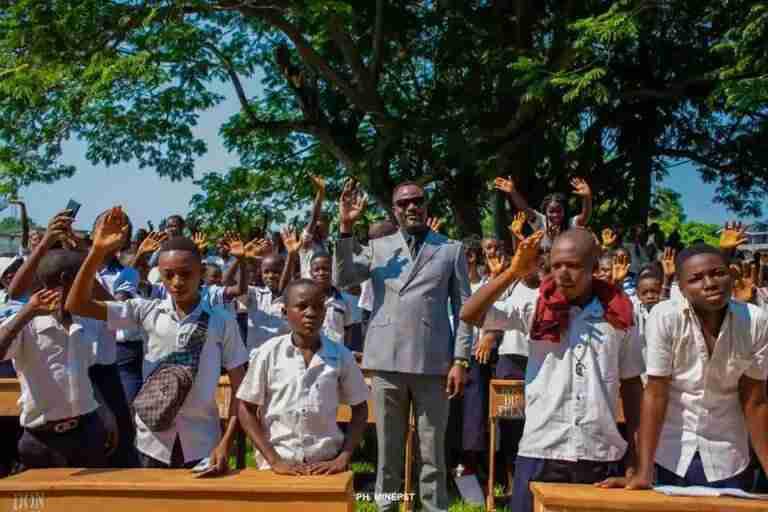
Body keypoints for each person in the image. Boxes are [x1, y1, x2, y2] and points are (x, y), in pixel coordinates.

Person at [460, 229, 644, 512]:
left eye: (573, 265)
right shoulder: (535, 305)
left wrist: (636, 459)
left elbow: (632, 386)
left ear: (594, 267)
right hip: (541, 449)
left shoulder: (620, 315)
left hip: (600, 454)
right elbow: (470, 314)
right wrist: (512, 272)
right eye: (556, 265)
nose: (563, 273)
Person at [66, 208, 248, 472]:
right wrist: (96, 251)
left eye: (186, 273)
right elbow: (77, 303)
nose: (177, 282)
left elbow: (239, 388)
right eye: (168, 274)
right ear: (159, 275)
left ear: (201, 272)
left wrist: (226, 443)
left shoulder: (222, 320)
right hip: (152, 442)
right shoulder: (146, 311)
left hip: (203, 444)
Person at [335, 179, 472, 512]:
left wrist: (461, 360)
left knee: (432, 453)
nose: (412, 206)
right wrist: (345, 227)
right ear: (394, 210)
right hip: (386, 361)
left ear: (426, 205)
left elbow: (466, 310)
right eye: (404, 202)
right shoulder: (380, 248)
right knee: (388, 452)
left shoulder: (450, 249)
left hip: (433, 363)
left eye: (418, 200)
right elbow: (344, 279)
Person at [622, 244, 768, 491]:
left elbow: (755, 401)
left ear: (731, 275)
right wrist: (643, 471)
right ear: (680, 286)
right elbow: (656, 392)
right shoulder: (665, 317)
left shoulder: (755, 321)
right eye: (696, 278)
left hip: (730, 457)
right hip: (671, 456)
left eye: (717, 273)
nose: (710, 283)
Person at [236, 279, 369, 474]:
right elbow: (246, 408)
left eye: (317, 307)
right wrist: (274, 460)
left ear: (325, 312)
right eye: (301, 306)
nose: (310, 313)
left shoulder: (341, 355)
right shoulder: (267, 353)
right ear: (284, 312)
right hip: (278, 466)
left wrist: (343, 457)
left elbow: (360, 408)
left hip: (326, 465)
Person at [0, 248, 117, 469]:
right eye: (87, 277)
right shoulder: (27, 323)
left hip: (87, 431)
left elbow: (84, 373)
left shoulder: (87, 319)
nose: (93, 284)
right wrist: (26, 313)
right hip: (41, 439)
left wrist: (105, 412)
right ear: (67, 279)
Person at [495, 176, 593, 250]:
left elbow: (585, 217)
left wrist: (587, 198)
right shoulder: (541, 221)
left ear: (565, 211)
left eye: (559, 211)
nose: (555, 215)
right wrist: (513, 192)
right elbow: (524, 208)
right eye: (551, 211)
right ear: (545, 212)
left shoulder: (570, 223)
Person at [310, 253, 354, 346]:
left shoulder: (344, 300)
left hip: (337, 353)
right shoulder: (306, 300)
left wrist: (346, 351)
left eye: (325, 269)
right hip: (315, 352)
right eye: (316, 270)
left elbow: (348, 328)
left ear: (333, 271)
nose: (321, 273)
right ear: (311, 273)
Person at [299, 176, 330, 278]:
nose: (325, 229)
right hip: (309, 289)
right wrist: (320, 193)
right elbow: (314, 218)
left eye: (327, 226)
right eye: (319, 227)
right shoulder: (306, 244)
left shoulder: (324, 244)